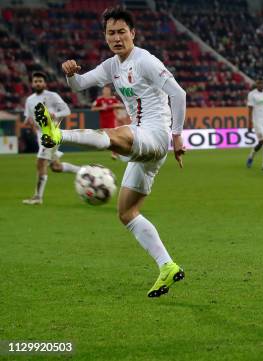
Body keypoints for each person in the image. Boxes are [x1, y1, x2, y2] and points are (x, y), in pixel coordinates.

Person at [35, 6, 187, 298]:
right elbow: (80, 85)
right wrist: (70, 74)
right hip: (143, 139)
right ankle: (167, 266)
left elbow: (178, 93)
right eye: (111, 33)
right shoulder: (111, 66)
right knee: (127, 212)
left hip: (154, 133)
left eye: (121, 32)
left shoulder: (146, 61)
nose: (117, 38)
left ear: (133, 33)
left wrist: (177, 136)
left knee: (112, 135)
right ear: (105, 37)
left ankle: (58, 135)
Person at [22, 71, 81, 205]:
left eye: (40, 81)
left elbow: (67, 111)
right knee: (55, 166)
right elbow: (28, 117)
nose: (38, 83)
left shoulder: (52, 96)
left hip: (51, 133)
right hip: (40, 135)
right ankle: (83, 171)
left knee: (40, 162)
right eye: (35, 81)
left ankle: (38, 197)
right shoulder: (29, 100)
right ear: (32, 83)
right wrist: (28, 122)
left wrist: (55, 114)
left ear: (45, 83)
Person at [91, 84, 123, 159]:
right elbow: (93, 108)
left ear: (109, 91)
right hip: (103, 122)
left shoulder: (113, 99)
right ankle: (115, 151)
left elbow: (121, 105)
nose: (106, 91)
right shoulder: (100, 99)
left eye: (107, 90)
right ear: (103, 91)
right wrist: (101, 108)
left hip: (112, 122)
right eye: (105, 90)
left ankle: (114, 153)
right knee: (106, 138)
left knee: (113, 137)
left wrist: (114, 106)